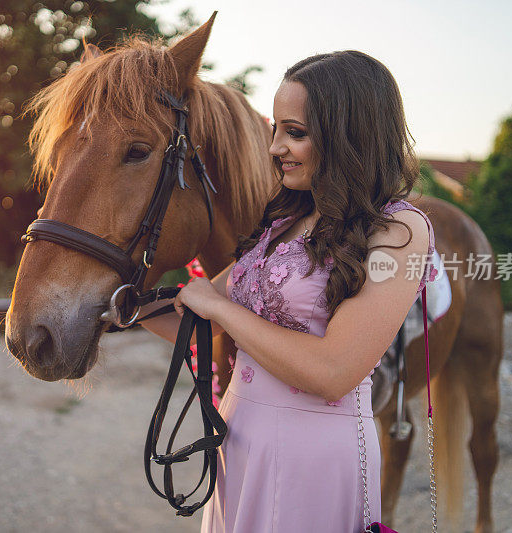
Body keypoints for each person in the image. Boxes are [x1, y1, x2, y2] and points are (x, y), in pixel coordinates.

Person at [141, 51, 436, 533]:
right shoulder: (283, 222)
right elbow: (197, 321)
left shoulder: (398, 229)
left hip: (313, 458)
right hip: (237, 443)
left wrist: (218, 306)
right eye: (275, 128)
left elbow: (333, 371)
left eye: (295, 132)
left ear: (348, 134)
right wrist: (122, 306)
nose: (275, 146)